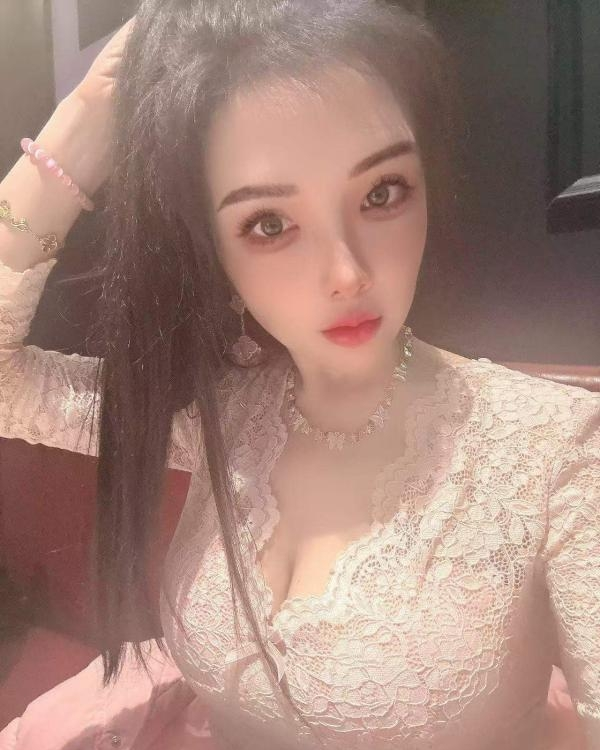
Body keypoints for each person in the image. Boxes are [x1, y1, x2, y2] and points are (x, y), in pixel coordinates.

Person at [0, 1, 598, 748]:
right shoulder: (219, 415)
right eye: (270, 224)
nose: (346, 273)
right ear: (214, 251)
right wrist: (80, 124)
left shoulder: (556, 452)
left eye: (382, 193)